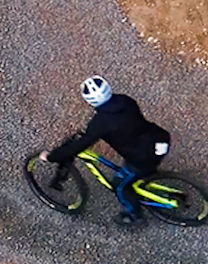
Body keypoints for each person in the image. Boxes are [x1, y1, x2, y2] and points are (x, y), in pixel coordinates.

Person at [40, 76, 171, 225]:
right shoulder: (125, 101)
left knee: (120, 186)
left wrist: (52, 157)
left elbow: (79, 145)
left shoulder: (100, 124)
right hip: (158, 139)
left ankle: (134, 216)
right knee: (136, 169)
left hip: (142, 157)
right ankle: (147, 175)